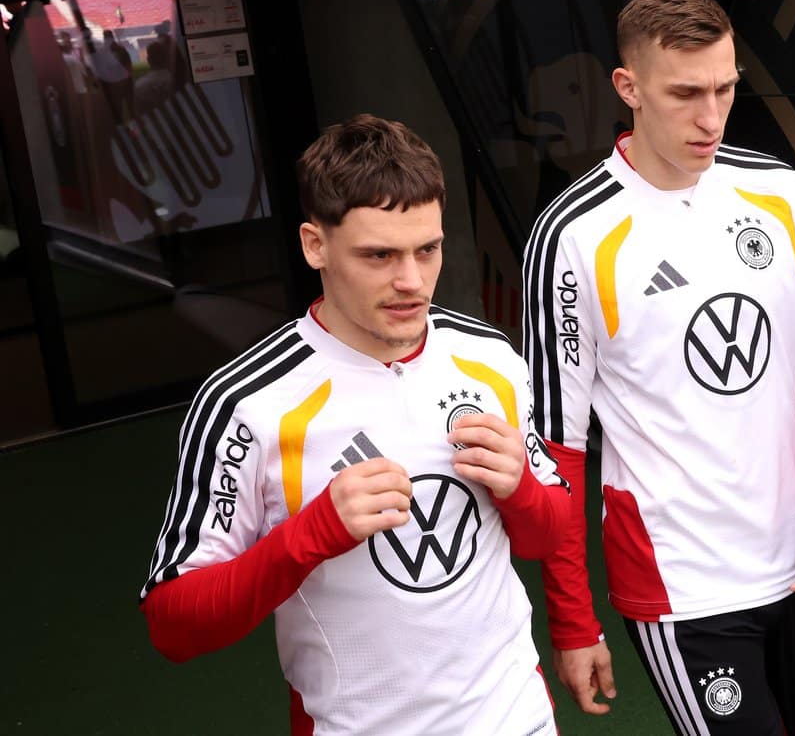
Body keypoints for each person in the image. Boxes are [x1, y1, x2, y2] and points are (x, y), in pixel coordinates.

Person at [140, 114, 570, 735]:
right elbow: (173, 626)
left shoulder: (489, 357)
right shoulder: (248, 402)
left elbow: (547, 534)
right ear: (315, 245)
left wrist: (521, 490)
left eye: (427, 249)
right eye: (379, 255)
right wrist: (310, 533)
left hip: (516, 718)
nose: (411, 281)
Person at [523, 0, 795, 735]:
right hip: (681, 583)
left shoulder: (777, 190)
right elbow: (556, 450)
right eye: (685, 94)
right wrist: (573, 620)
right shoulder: (572, 236)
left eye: (725, 89)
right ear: (628, 87)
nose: (711, 117)